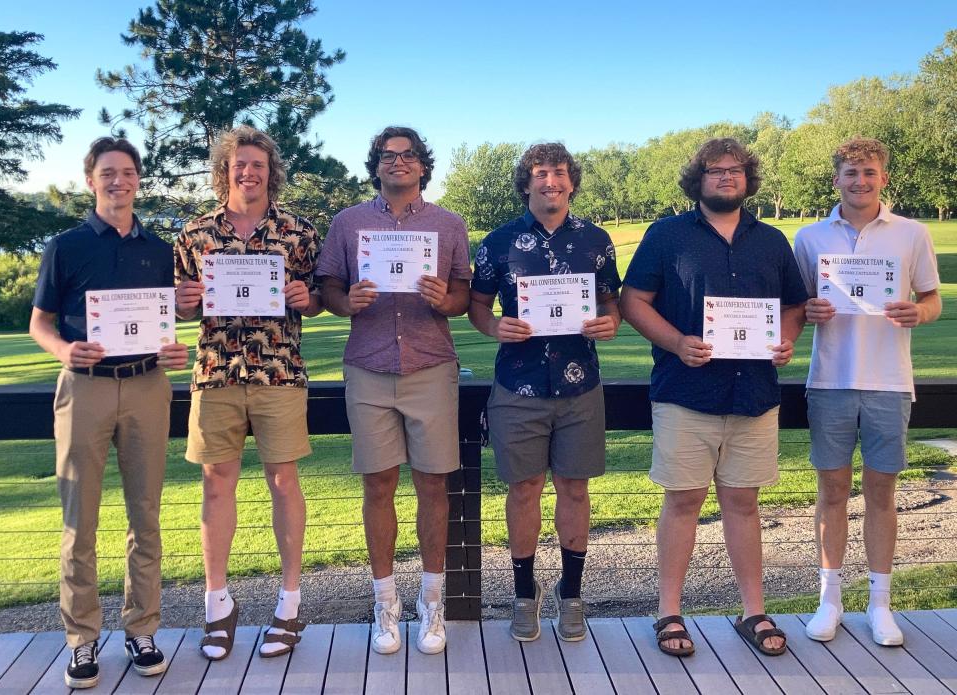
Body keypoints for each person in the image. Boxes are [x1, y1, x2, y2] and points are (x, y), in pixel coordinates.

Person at [620, 138, 807, 657]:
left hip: (754, 395)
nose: (727, 177)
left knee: (744, 503)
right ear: (696, 179)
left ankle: (753, 611)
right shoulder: (666, 236)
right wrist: (677, 342)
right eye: (715, 170)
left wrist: (787, 338)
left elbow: (794, 305)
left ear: (749, 178)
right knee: (682, 500)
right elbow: (633, 300)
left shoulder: (771, 240)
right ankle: (668, 613)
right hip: (686, 393)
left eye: (736, 169)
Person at [30, 137, 189, 688]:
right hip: (85, 388)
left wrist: (174, 348)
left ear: (139, 179)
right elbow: (40, 324)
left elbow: (166, 320)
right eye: (107, 173)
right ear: (90, 180)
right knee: (81, 522)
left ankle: (141, 628)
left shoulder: (161, 250)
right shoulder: (66, 246)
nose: (117, 181)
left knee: (145, 517)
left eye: (126, 172)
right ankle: (81, 640)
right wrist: (62, 351)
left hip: (148, 385)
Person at [316, 126, 472, 655]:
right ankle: (385, 605)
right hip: (369, 366)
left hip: (430, 366)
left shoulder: (448, 225)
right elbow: (328, 287)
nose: (398, 163)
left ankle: (433, 604)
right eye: (388, 156)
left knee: (434, 486)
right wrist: (347, 300)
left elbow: (461, 297)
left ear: (423, 166)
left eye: (408, 156)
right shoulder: (348, 223)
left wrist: (443, 298)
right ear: (376, 166)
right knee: (377, 487)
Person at [175, 125, 322, 660]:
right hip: (215, 375)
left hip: (279, 374)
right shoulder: (194, 233)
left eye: (258, 164)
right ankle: (217, 604)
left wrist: (307, 297)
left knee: (284, 482)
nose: (248, 172)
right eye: (239, 164)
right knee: (216, 486)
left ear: (270, 171)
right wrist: (185, 300)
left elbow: (318, 298)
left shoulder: (298, 231)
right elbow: (183, 306)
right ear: (225, 170)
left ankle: (289, 604)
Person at [469, 142, 621, 643]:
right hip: (518, 383)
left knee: (575, 489)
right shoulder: (498, 242)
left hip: (581, 385)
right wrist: (495, 328)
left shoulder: (597, 241)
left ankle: (571, 595)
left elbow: (611, 304)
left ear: (571, 182)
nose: (549, 180)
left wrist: (609, 324)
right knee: (524, 490)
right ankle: (523, 594)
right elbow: (476, 306)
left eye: (558, 172)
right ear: (526, 182)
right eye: (540, 173)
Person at [795, 137, 941, 646]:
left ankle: (881, 604)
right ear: (835, 178)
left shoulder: (911, 233)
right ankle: (828, 600)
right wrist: (809, 311)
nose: (860, 181)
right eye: (850, 172)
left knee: (882, 494)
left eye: (869, 172)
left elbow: (932, 298)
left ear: (883, 179)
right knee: (831, 492)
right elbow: (798, 305)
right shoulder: (810, 237)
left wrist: (917, 313)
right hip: (830, 381)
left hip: (890, 382)